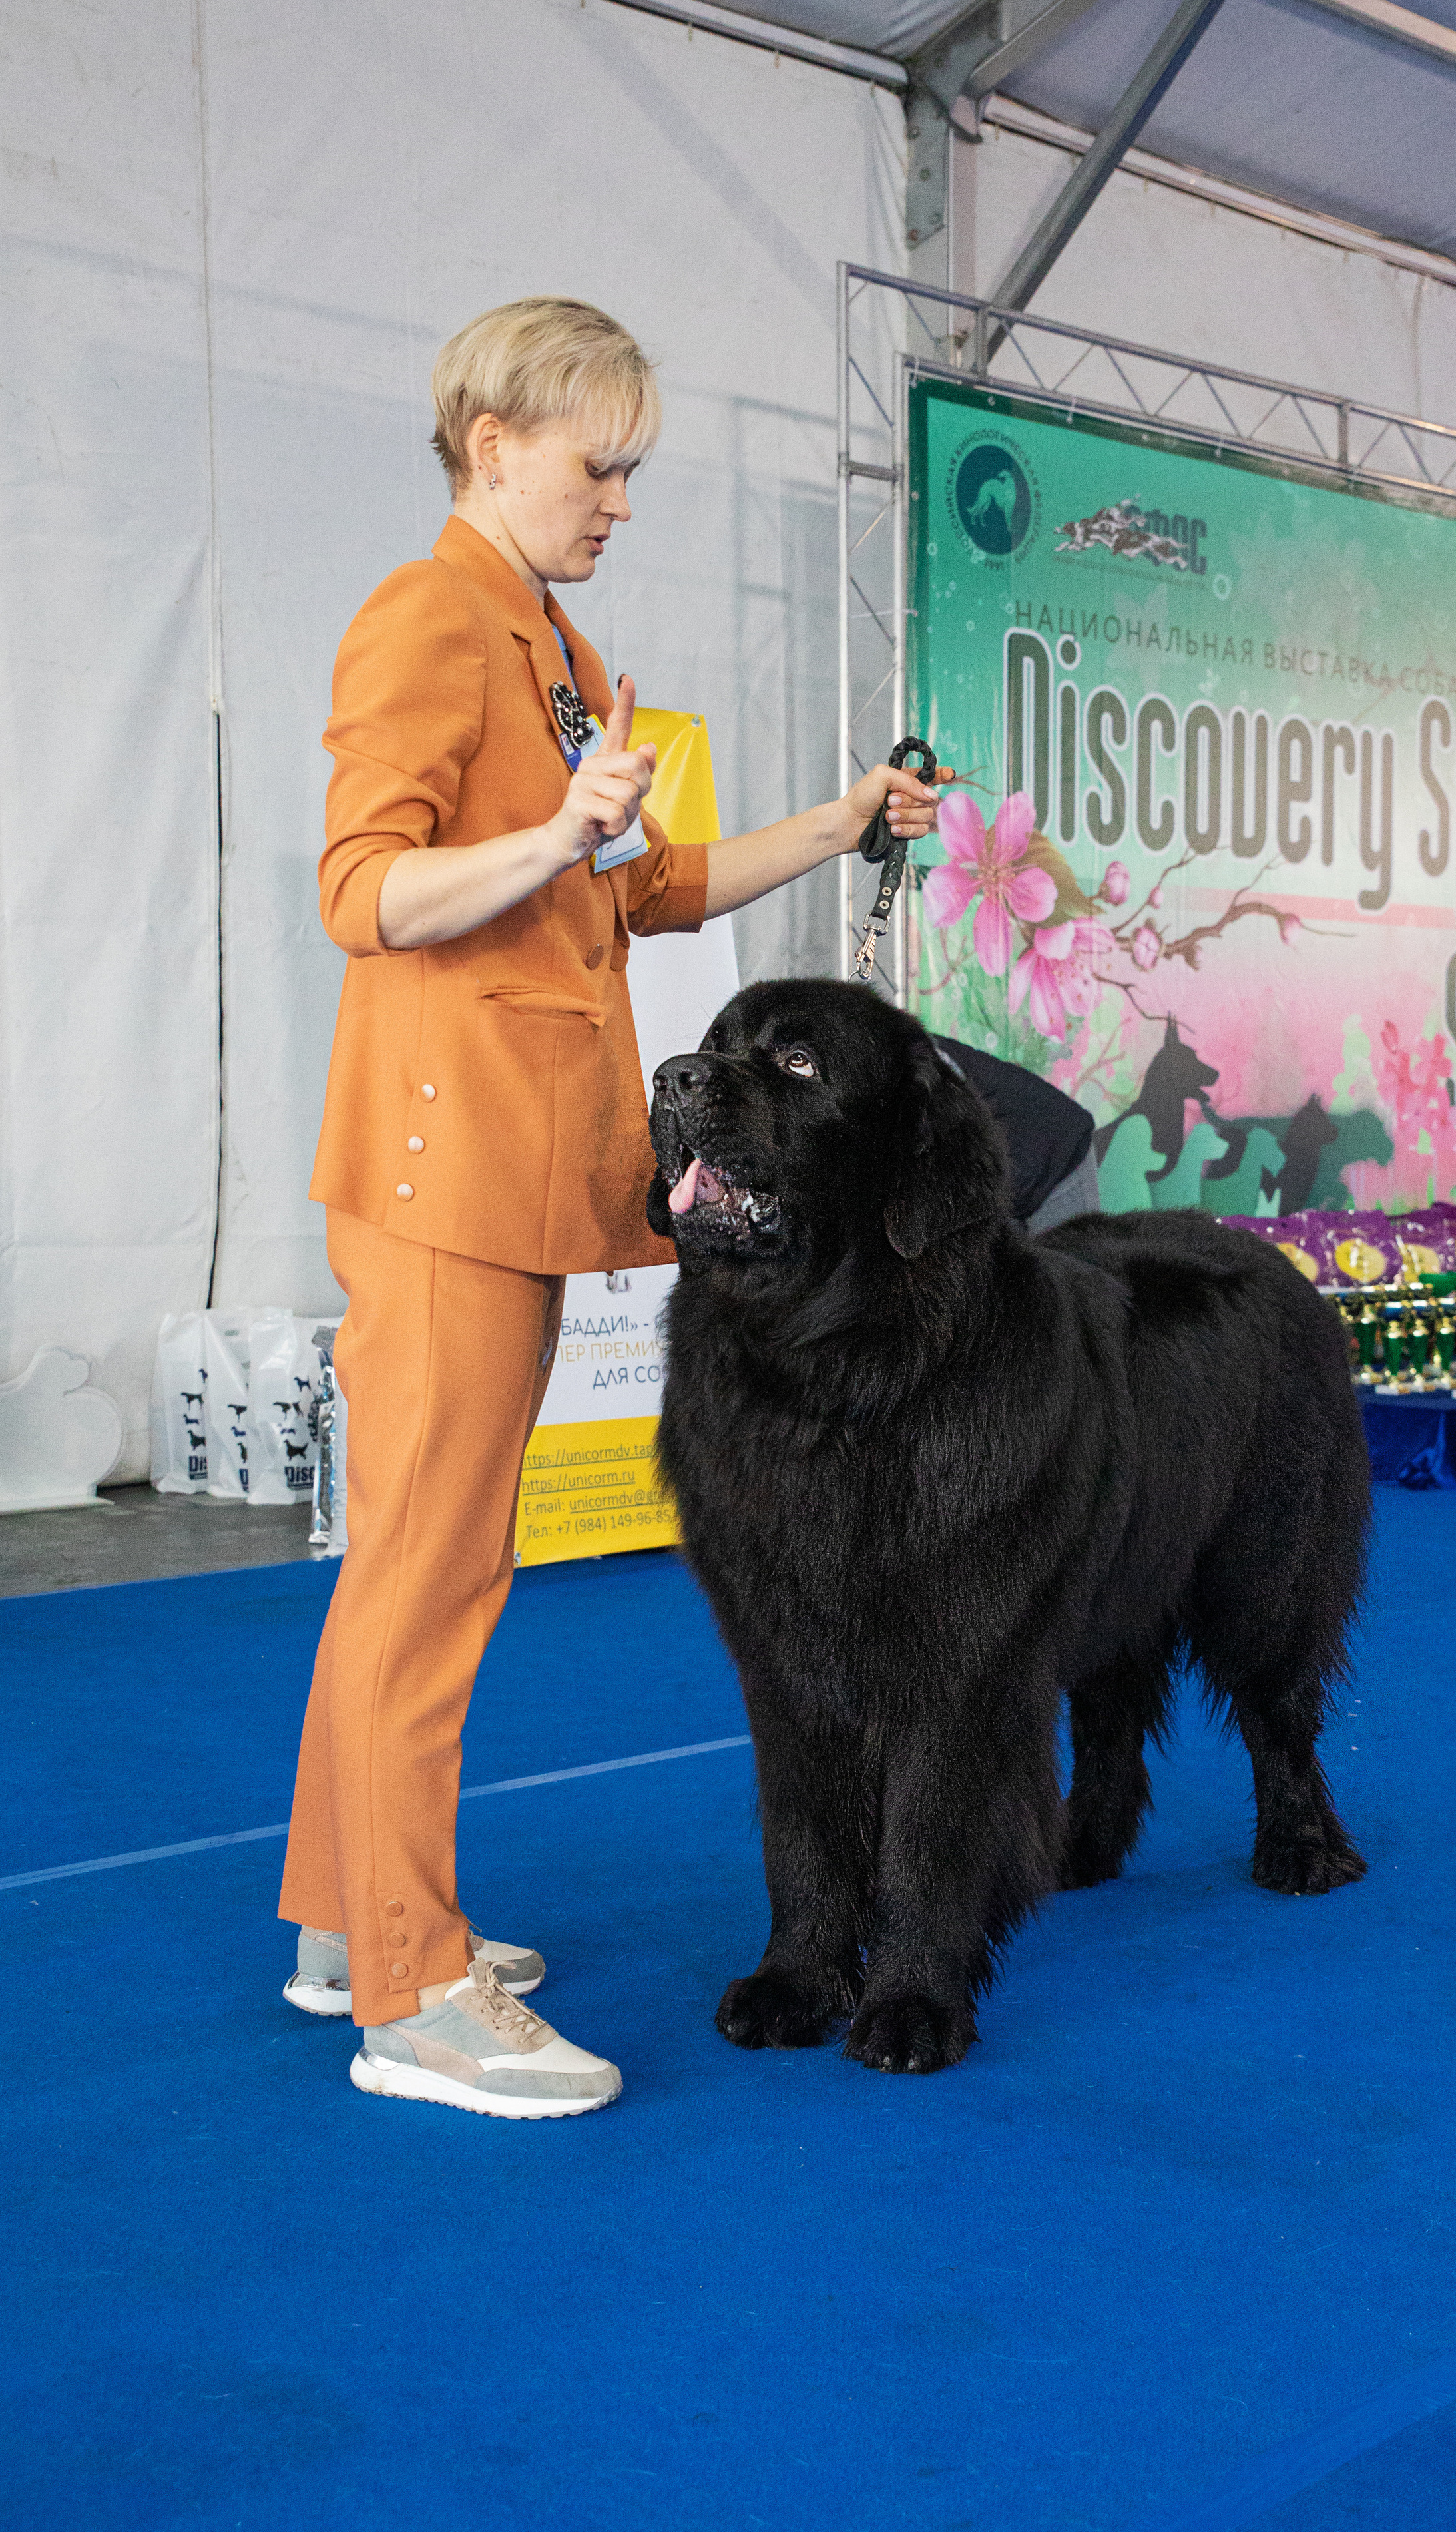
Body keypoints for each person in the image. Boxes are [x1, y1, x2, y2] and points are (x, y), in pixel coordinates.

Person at [276, 296, 948, 2121]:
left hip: (500, 1174)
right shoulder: (432, 619)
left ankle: (349, 1917)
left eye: (634, 468)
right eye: (604, 463)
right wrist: (556, 833)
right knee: (432, 1579)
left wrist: (839, 820)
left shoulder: (550, 641)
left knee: (419, 1566)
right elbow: (366, 890)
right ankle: (411, 1992)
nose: (623, 499)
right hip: (445, 1180)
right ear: (495, 441)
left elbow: (639, 888)